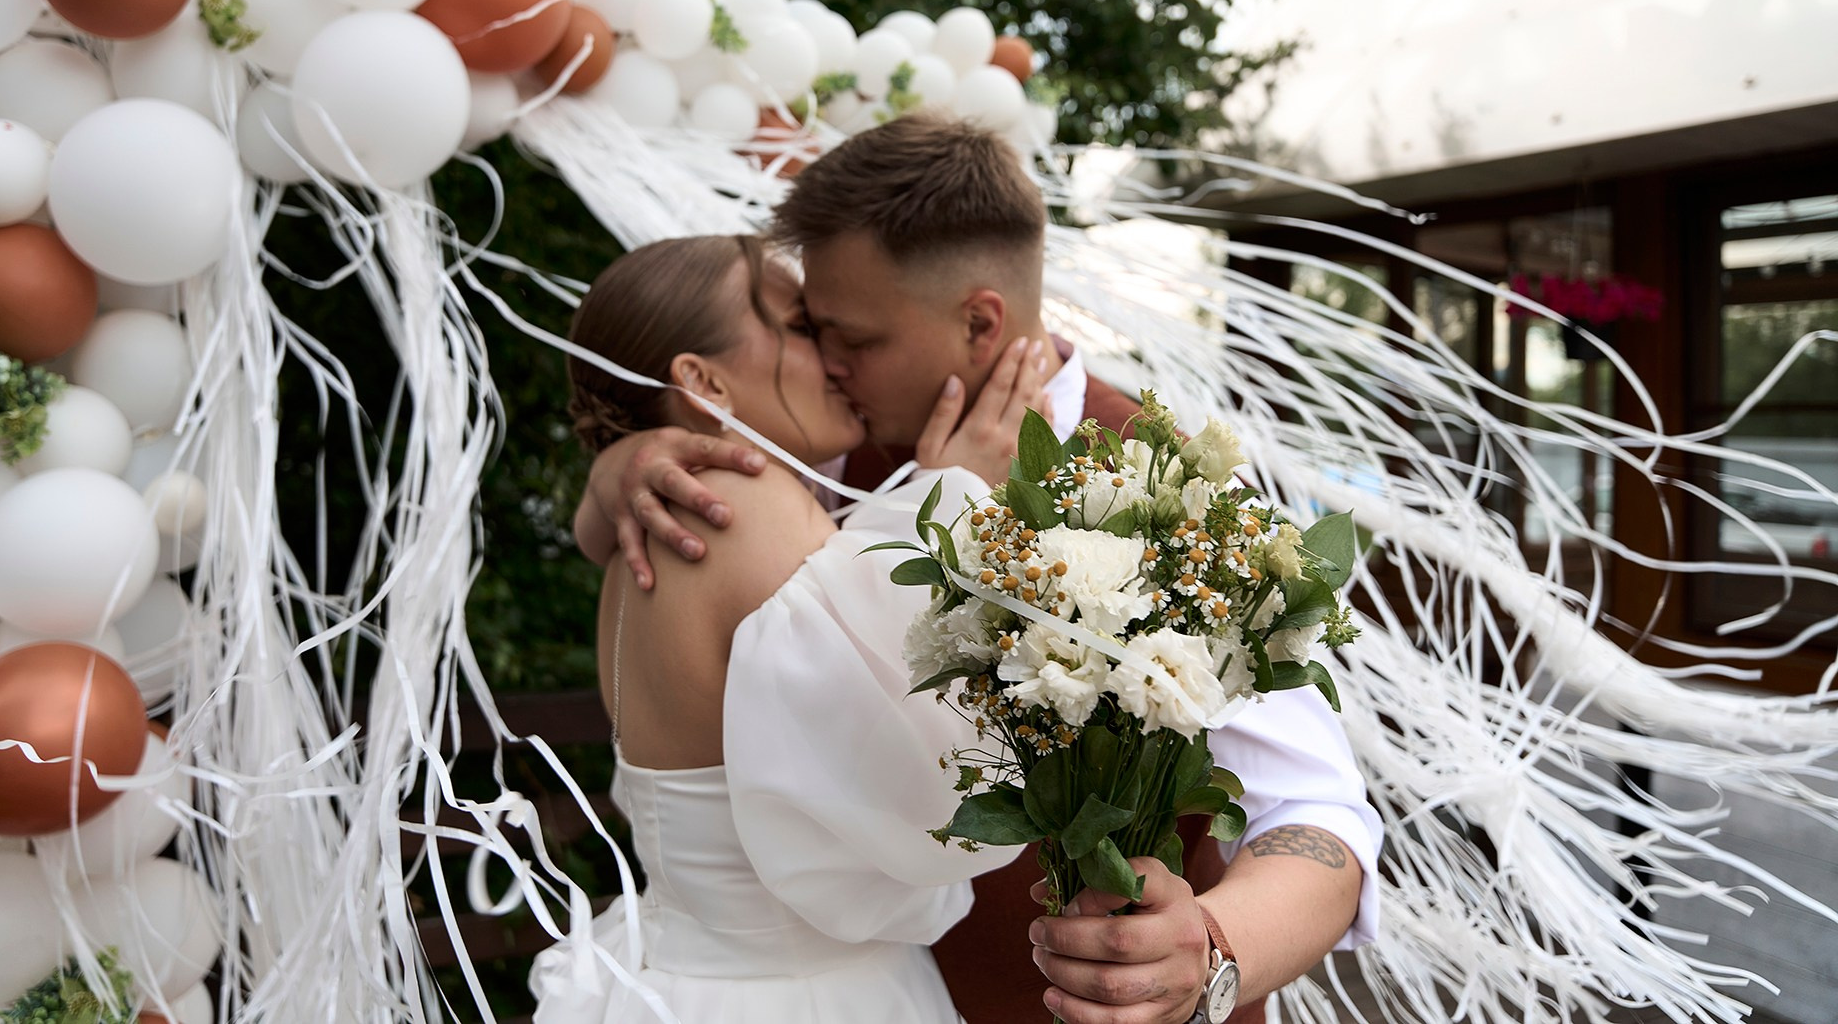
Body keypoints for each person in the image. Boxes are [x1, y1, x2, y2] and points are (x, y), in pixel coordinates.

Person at [575, 115, 1382, 1024]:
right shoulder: (826, 457)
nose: (828, 365)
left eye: (852, 338)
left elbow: (1317, 816)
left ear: (979, 321)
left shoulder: (1179, 497)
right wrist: (621, 467)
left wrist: (1210, 952)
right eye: (810, 330)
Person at [531, 232, 1055, 1022]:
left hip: (677, 972)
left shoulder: (639, 532)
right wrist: (961, 496)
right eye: (802, 327)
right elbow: (932, 788)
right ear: (703, 381)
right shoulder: (746, 504)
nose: (835, 358)